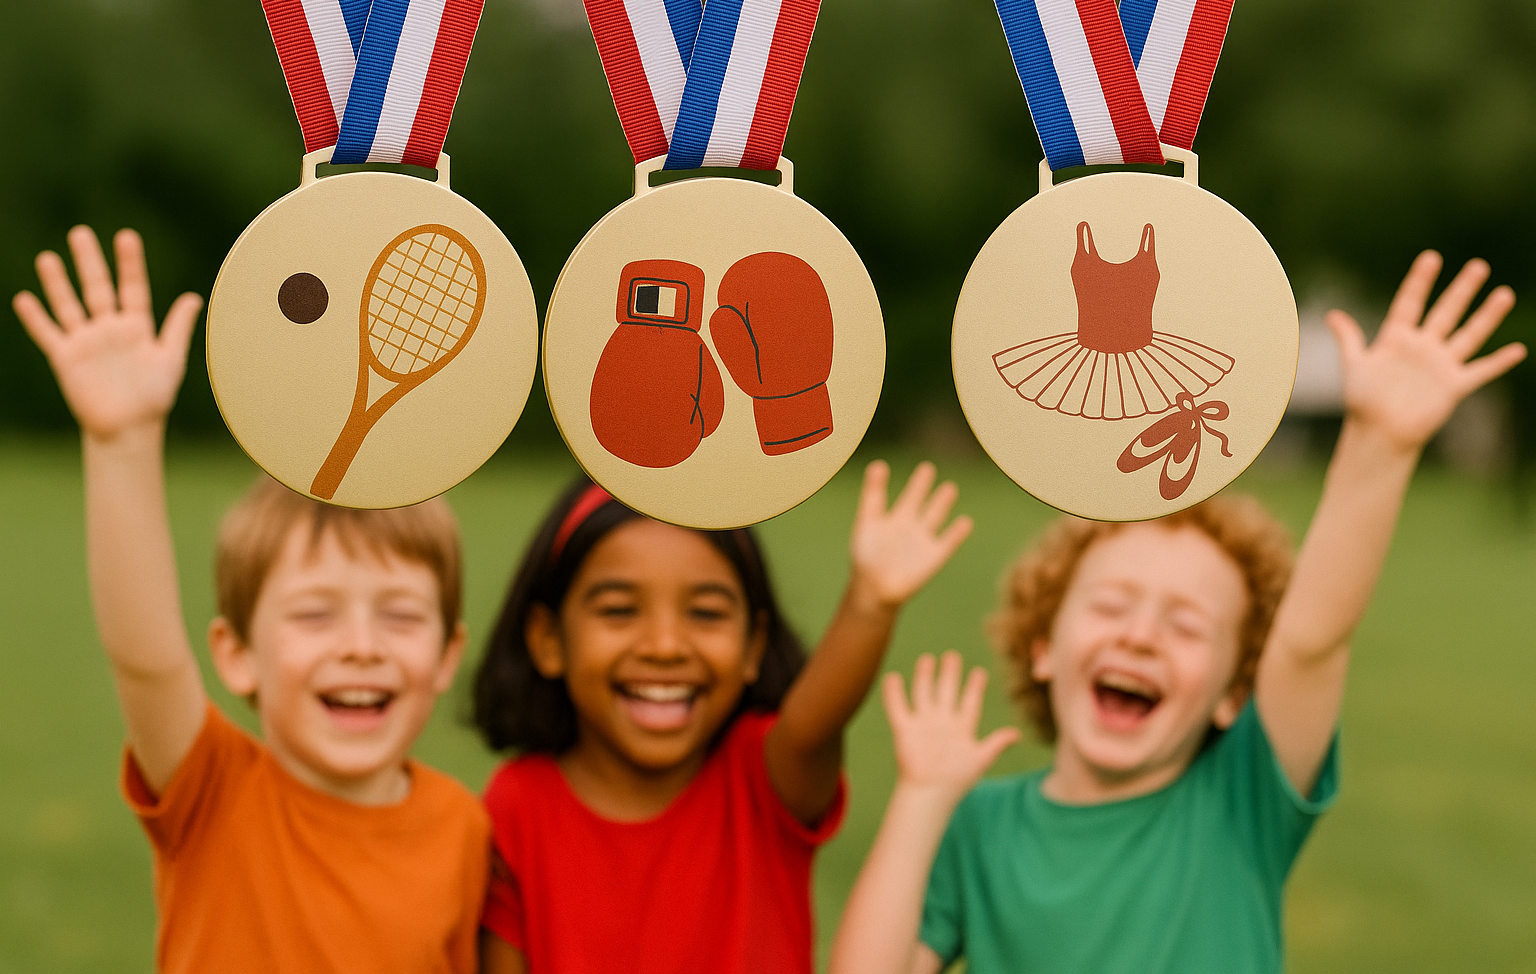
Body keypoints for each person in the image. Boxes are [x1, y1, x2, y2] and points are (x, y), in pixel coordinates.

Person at [829, 251, 1526, 974]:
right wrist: (923, 799)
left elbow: (1310, 642)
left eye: (1186, 625)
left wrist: (1378, 444)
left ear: (1234, 694)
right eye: (1112, 604)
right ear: (1042, 646)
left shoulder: (1242, 800)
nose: (1139, 635)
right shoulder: (980, 825)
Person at [12, 226, 489, 974]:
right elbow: (145, 657)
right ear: (236, 656)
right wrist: (122, 444)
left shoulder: (464, 829)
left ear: (446, 656)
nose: (361, 644)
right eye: (314, 613)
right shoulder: (213, 791)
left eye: (398, 614)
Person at [470, 460, 973, 974]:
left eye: (706, 613)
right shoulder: (517, 802)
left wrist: (869, 604)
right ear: (548, 639)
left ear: (754, 645)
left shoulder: (763, 777)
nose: (665, 646)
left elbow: (815, 721)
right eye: (619, 610)